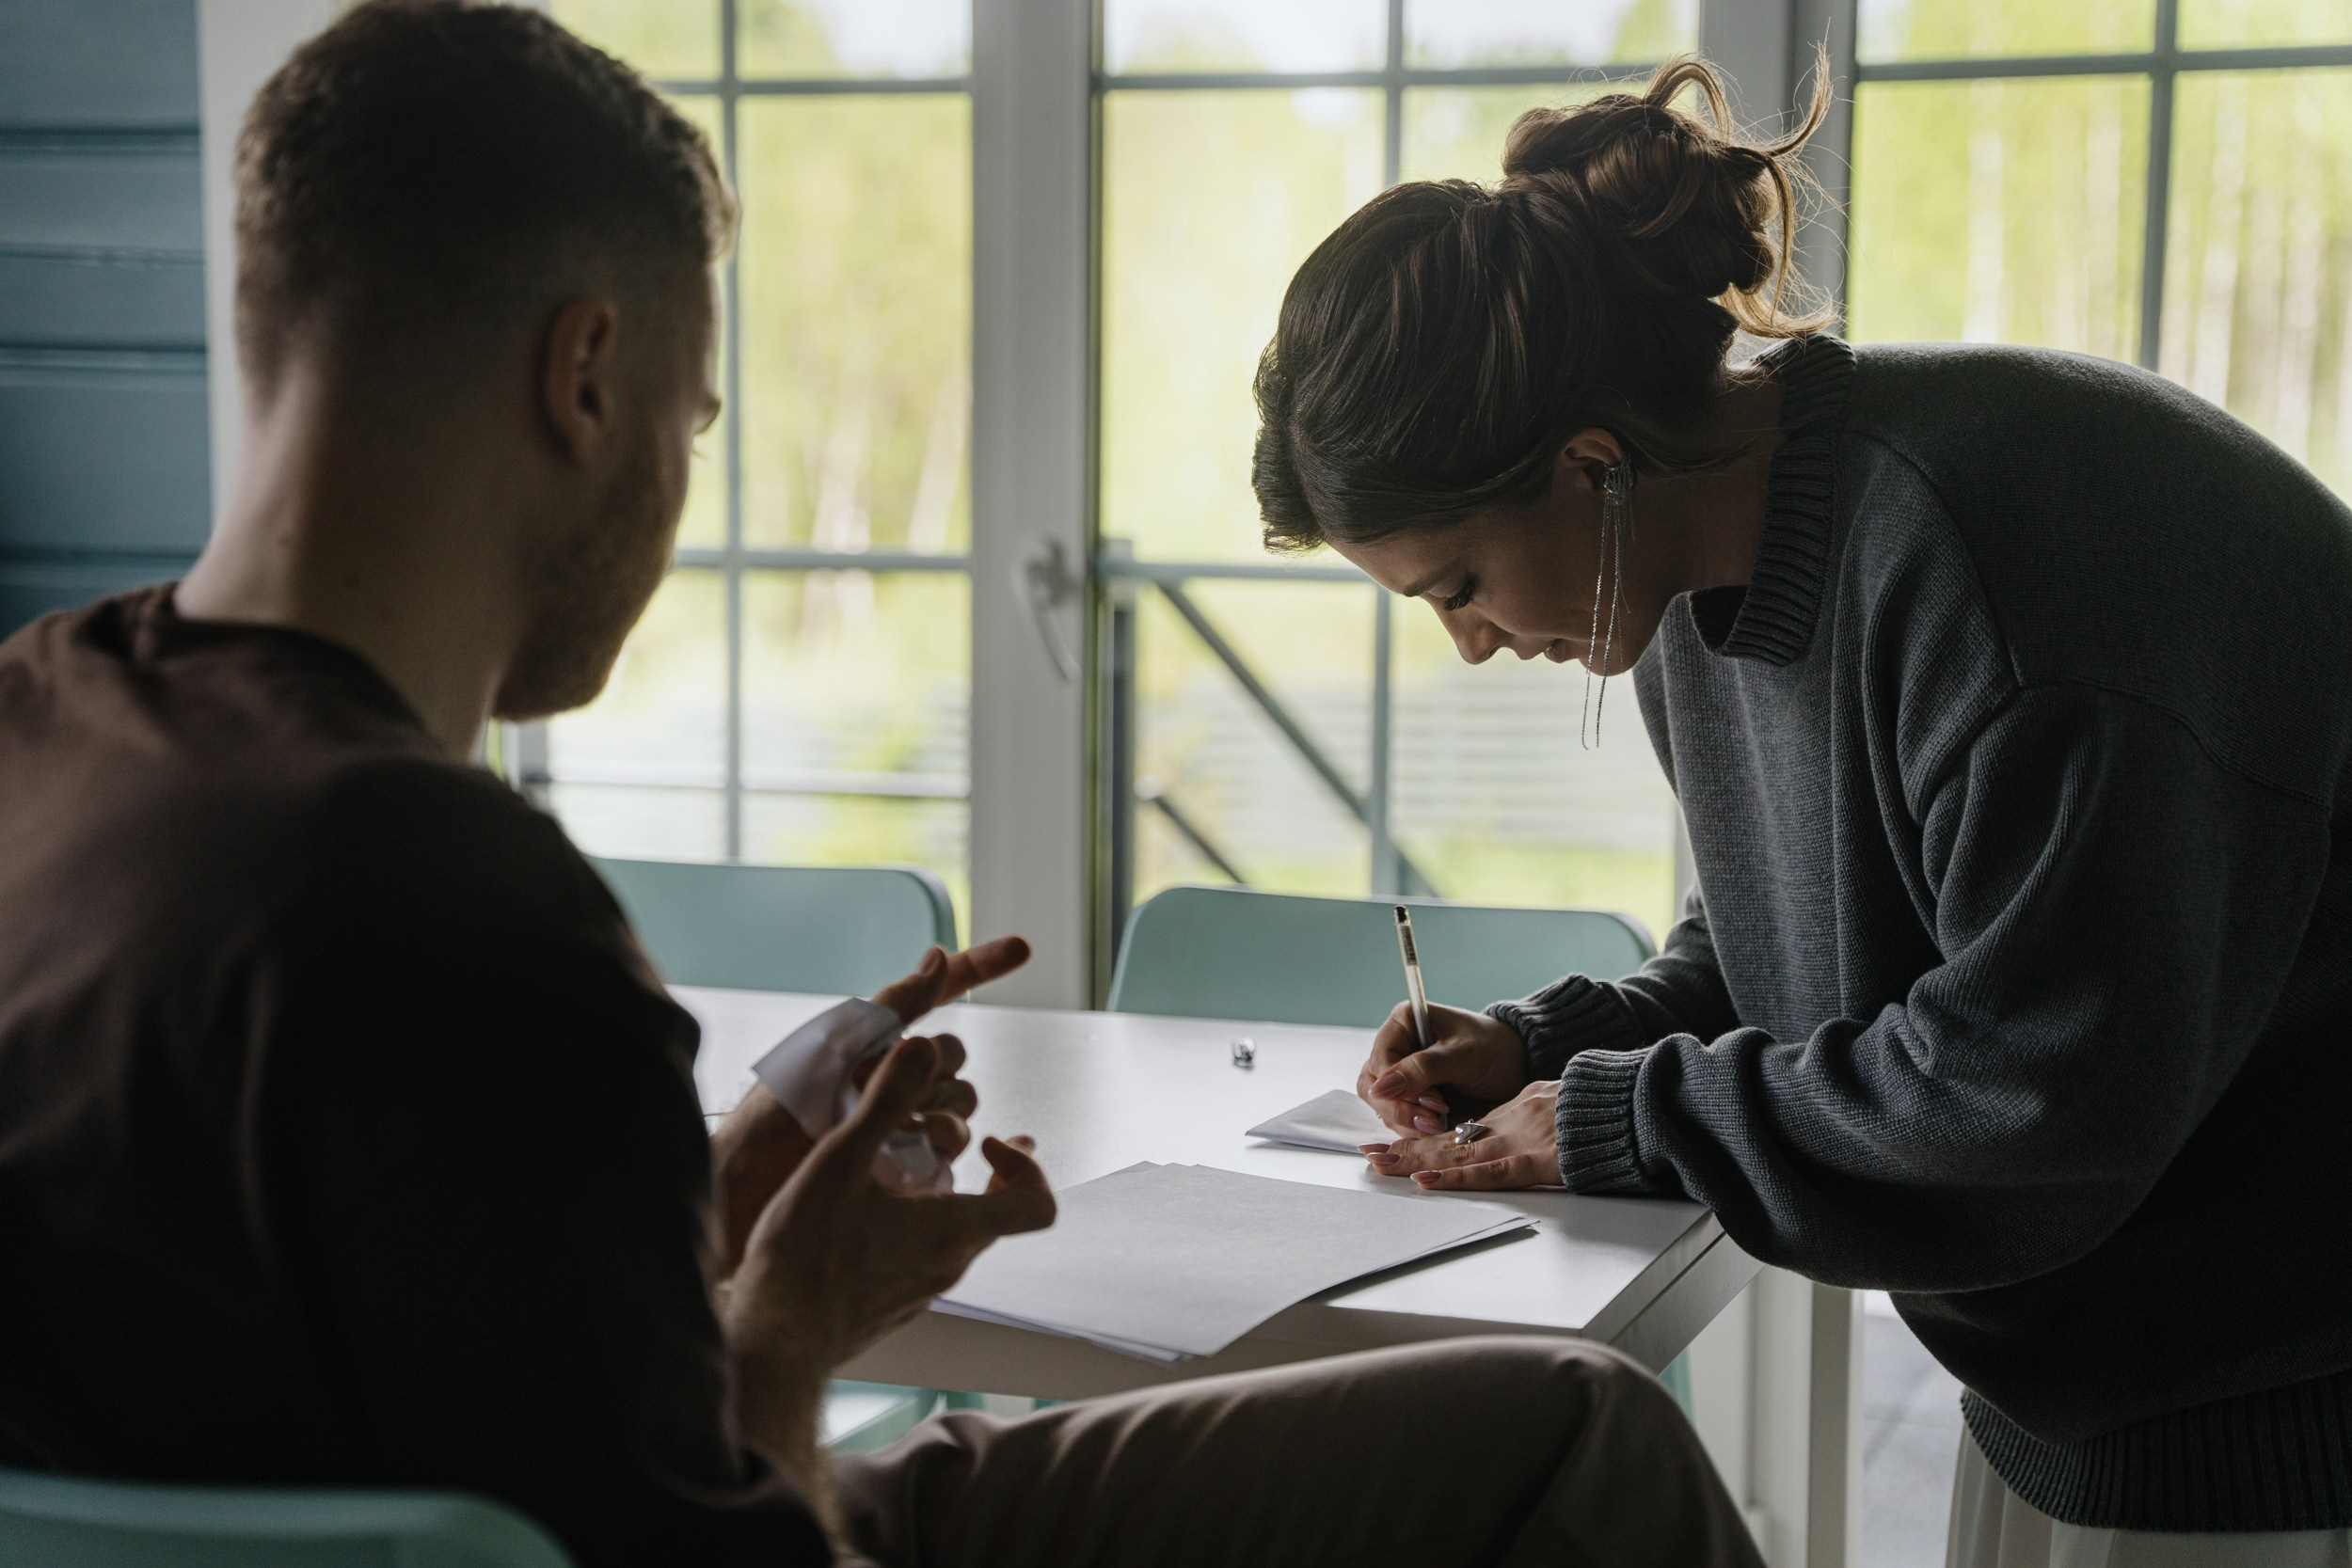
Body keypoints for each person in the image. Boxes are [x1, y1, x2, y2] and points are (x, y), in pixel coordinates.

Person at [0, 6, 1765, 1566]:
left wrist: (718, 1190)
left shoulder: (38, 731)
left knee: (1542, 1425)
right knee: (1580, 1439)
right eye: (693, 422)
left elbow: (303, 1304)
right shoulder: (460, 911)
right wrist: (795, 1321)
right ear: (586, 376)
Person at [1252, 51, 2352, 1568]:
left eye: (1457, 584)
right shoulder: (1688, 583)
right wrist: (1551, 1046)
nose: (1469, 641)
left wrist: (1612, 1121)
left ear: (1593, 466)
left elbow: (2029, 1095)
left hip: (2283, 1404)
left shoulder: (2008, 574)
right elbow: (1791, 970)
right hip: (2093, 1383)